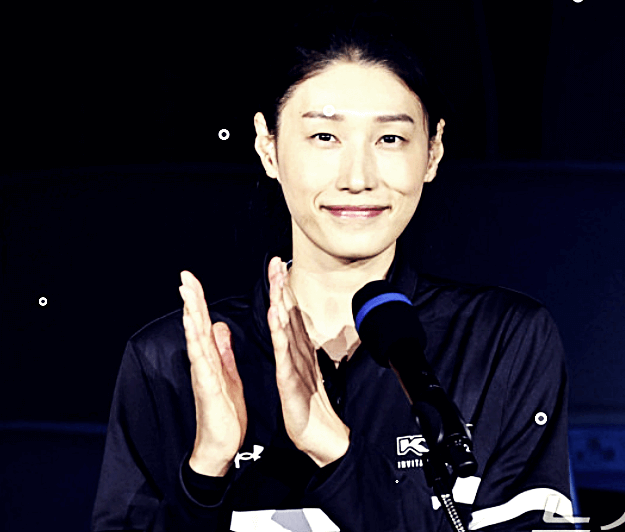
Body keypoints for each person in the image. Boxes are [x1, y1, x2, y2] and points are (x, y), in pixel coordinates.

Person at [92, 7, 572, 532]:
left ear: (433, 151)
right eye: (324, 137)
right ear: (268, 147)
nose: (357, 178)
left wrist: (336, 451)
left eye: (390, 139)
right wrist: (206, 473)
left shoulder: (503, 341)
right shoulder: (169, 361)